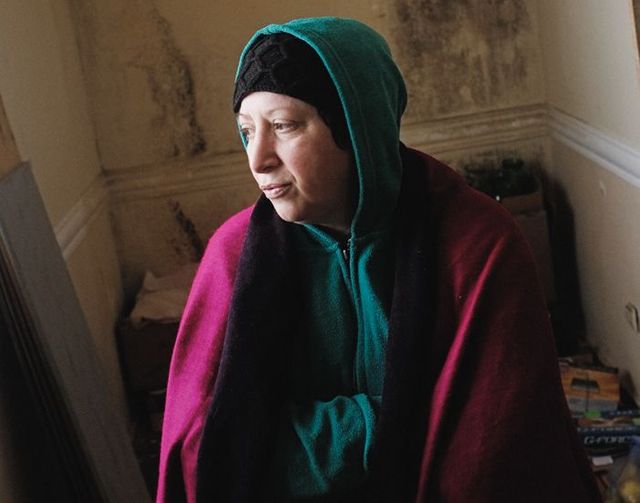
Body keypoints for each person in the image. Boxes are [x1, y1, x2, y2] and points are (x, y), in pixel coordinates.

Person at [157, 17, 601, 502]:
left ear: (356, 126)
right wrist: (379, 421)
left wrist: (293, 442)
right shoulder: (233, 254)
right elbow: (209, 452)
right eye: (247, 130)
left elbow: (492, 449)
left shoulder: (477, 244)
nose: (257, 158)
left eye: (283, 126)